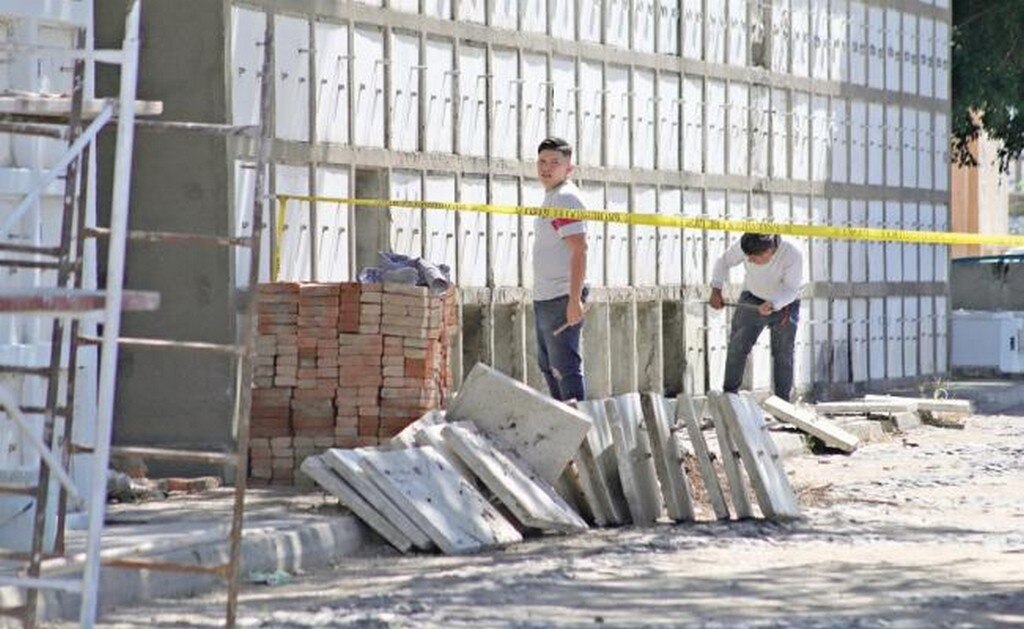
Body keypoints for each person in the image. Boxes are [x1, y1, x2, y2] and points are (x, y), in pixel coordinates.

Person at [710, 233, 804, 401]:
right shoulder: (746, 244)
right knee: (737, 348)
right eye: (748, 257)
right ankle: (729, 397)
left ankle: (783, 405)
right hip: (752, 297)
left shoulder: (792, 253)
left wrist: (774, 304)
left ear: (770, 250)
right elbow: (723, 261)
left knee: (783, 354)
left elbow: (791, 289)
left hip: (785, 302)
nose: (750, 261)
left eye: (754, 258)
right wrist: (716, 289)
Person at [532, 137, 588, 402]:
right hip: (546, 296)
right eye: (542, 162)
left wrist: (574, 300)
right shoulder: (552, 197)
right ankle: (565, 430)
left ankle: (580, 438)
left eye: (555, 163)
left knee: (565, 369)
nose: (547, 168)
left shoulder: (565, 198)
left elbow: (579, 248)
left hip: (561, 296)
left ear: (569, 168)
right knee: (550, 367)